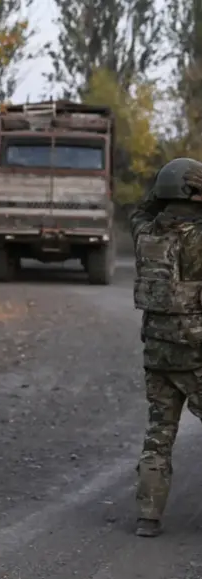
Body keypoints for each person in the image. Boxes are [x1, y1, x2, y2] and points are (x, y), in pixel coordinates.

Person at [131, 157, 202, 538]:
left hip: (158, 354)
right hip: (197, 354)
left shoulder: (145, 234)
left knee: (158, 435)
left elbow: (143, 209)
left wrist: (162, 188)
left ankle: (148, 517)